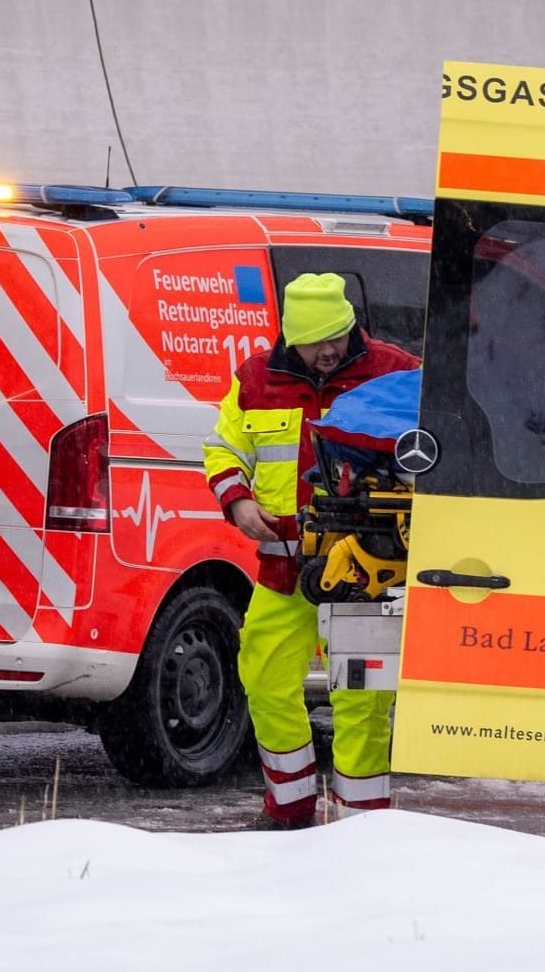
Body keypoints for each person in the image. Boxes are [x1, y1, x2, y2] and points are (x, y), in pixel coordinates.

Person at [204, 273, 418, 829]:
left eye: (338, 337)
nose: (329, 351)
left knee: (362, 698)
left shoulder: (396, 371)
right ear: (289, 339)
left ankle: (364, 819)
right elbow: (225, 447)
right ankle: (290, 808)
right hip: (283, 565)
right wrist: (236, 501)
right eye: (316, 341)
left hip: (368, 570)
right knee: (264, 677)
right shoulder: (254, 379)